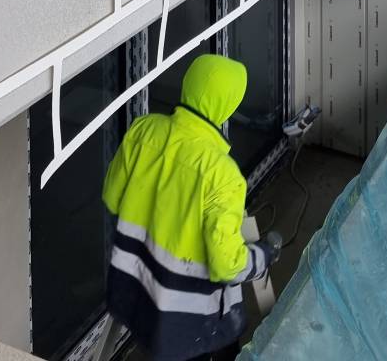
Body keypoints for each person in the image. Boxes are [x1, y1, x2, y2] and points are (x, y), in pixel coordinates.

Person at [101, 54, 281, 361]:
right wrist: (264, 254)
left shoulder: (143, 131)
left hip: (135, 292)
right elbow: (228, 266)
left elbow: (112, 197)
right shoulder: (222, 175)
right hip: (187, 322)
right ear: (227, 106)